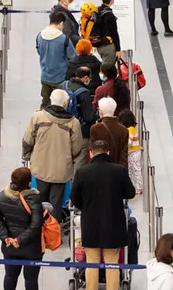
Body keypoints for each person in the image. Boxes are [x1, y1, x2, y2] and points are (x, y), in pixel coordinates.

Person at [71, 139, 137, 290]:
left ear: (91, 153)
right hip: (113, 223)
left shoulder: (82, 172)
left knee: (91, 263)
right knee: (112, 264)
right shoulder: (119, 171)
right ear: (107, 152)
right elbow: (130, 192)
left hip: (91, 223)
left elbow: (75, 200)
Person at [22, 89, 85, 220]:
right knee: (56, 203)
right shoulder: (73, 123)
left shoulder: (37, 117)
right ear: (65, 104)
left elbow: (28, 140)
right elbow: (77, 148)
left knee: (40, 200)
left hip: (40, 166)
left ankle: (40, 229)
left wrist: (27, 155)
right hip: (61, 170)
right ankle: (54, 233)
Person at [0, 167, 46, 290]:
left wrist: (6, 238)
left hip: (9, 247)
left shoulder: (2, 196)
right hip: (31, 247)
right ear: (29, 182)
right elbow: (36, 224)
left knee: (10, 275)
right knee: (31, 278)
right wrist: (20, 240)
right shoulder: (34, 198)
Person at [37, 10, 77, 108]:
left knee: (45, 102)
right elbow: (73, 56)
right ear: (61, 23)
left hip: (45, 76)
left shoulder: (39, 36)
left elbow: (39, 52)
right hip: (60, 78)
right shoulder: (64, 39)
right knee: (60, 104)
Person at [89, 97, 130, 166]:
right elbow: (124, 156)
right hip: (117, 171)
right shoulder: (124, 130)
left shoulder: (95, 128)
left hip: (100, 169)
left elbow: (94, 152)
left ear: (100, 111)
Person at [65, 67, 98, 139]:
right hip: (79, 130)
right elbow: (88, 118)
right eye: (89, 78)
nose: (90, 80)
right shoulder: (84, 92)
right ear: (86, 77)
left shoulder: (63, 85)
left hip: (62, 127)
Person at [91, 0, 122, 65]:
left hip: (98, 44)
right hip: (108, 46)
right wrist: (118, 49)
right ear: (111, 0)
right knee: (108, 69)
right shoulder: (109, 14)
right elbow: (114, 33)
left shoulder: (97, 10)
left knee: (105, 65)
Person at [118, 109, 143, 194]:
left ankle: (139, 187)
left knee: (136, 170)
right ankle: (134, 186)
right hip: (132, 153)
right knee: (132, 170)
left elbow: (129, 141)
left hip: (134, 153)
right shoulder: (132, 129)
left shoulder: (130, 129)